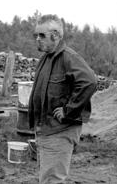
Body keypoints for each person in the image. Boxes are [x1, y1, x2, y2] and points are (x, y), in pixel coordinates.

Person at [28, 15, 97, 183]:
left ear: (56, 35)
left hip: (59, 130)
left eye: (42, 35)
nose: (37, 39)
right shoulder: (46, 58)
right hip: (46, 129)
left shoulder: (68, 57)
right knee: (47, 178)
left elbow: (89, 82)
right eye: (36, 35)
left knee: (52, 180)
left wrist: (69, 110)